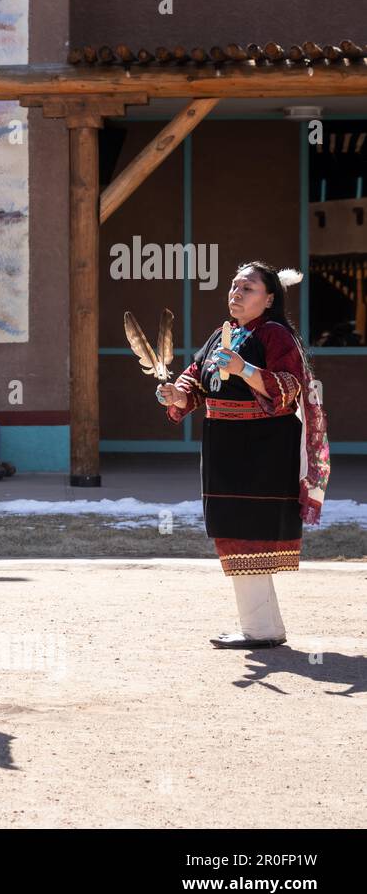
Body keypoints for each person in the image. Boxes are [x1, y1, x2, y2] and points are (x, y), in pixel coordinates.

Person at [156, 261, 330, 649]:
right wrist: (178, 394)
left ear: (269, 299)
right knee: (231, 532)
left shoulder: (275, 335)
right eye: (234, 286)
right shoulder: (222, 335)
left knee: (245, 535)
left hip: (262, 450)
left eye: (247, 288)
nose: (236, 292)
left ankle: (260, 629)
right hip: (224, 447)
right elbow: (198, 377)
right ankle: (263, 625)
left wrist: (245, 368)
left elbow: (289, 388)